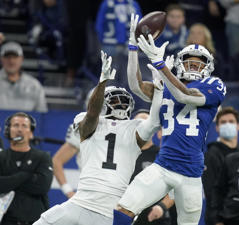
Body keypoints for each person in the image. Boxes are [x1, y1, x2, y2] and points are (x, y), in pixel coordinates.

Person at [113, 14, 226, 225]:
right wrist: (133, 49)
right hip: (163, 167)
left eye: (199, 63)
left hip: (192, 175)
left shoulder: (214, 85)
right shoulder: (164, 85)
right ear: (180, 64)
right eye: (190, 62)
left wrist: (159, 65)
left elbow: (184, 95)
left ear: (208, 67)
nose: (194, 66)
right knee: (122, 210)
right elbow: (135, 85)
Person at [33, 50, 163, 225]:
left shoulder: (134, 128)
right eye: (116, 101)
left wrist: (159, 92)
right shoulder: (89, 121)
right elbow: (92, 113)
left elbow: (154, 121)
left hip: (111, 208)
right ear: (104, 104)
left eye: (124, 102)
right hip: (82, 202)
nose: (121, 105)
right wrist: (102, 83)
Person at [0, 112, 53, 225]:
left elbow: (42, 186)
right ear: (8, 130)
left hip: (36, 221)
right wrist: (25, 176)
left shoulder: (43, 157)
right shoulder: (1, 157)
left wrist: (10, 181)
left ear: (31, 133)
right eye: (15, 125)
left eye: (24, 126)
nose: (19, 129)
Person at [202, 107, 239, 225]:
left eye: (231, 122)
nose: (227, 125)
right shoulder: (211, 155)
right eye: (223, 122)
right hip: (221, 219)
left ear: (238, 126)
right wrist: (217, 220)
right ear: (217, 127)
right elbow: (211, 191)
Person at [0, 41, 48, 112]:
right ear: (1, 59)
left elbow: (42, 113)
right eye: (7, 57)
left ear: (22, 59)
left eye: (15, 57)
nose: (11, 61)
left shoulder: (34, 85)